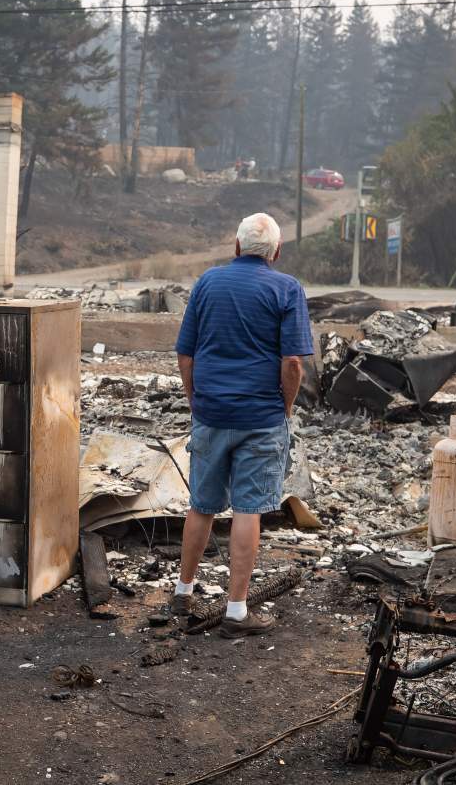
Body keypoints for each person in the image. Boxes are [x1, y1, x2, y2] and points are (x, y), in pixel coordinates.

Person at [171, 212, 313, 638]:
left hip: (212, 414)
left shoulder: (207, 283)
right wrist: (284, 408)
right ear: (276, 252)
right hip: (260, 418)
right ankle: (236, 611)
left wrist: (197, 401)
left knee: (202, 504)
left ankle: (183, 591)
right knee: (247, 509)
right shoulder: (287, 289)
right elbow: (292, 363)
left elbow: (185, 355)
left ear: (236, 247)